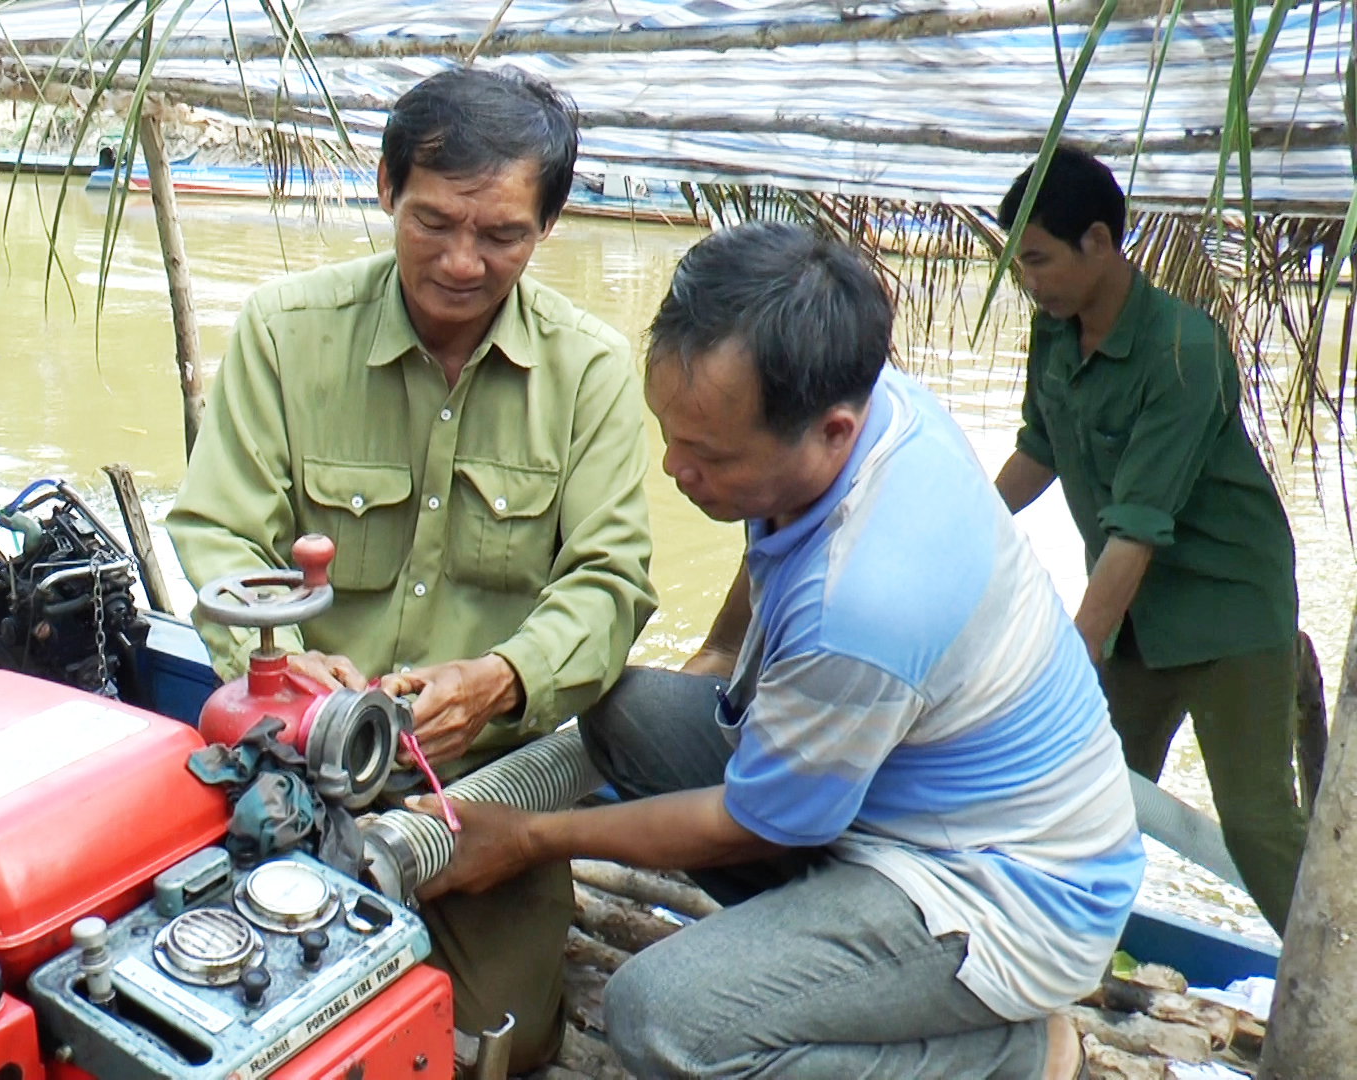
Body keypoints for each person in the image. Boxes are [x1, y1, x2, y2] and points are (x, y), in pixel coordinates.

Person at [412, 223, 1143, 1079]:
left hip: (1003, 893)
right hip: (895, 805)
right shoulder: (869, 401)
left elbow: (751, 821)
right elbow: (774, 535)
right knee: (626, 714)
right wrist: (722, 652)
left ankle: (1009, 1053)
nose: (677, 469)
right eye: (669, 433)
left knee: (658, 1018)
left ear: (831, 429)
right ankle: (827, 957)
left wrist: (531, 838)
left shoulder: (867, 600)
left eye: (710, 455)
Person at [166, 67, 656, 1070]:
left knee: (492, 1046)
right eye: (433, 220)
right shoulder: (283, 333)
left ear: (548, 227)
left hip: (483, 789)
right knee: (219, 1015)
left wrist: (503, 681)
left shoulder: (593, 373)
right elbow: (219, 534)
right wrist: (288, 670)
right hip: (292, 762)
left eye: (502, 235)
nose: (463, 261)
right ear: (385, 186)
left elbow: (611, 584)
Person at [991, 148, 1307, 934]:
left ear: (1098, 241)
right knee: (1083, 793)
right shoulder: (1054, 331)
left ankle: (1332, 983)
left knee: (1256, 821)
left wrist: (1070, 657)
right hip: (1135, 614)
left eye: (1038, 259)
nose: (1028, 280)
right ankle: (1055, 953)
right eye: (1018, 263)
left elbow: (1137, 527)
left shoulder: (1183, 348)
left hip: (1225, 611)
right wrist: (960, 529)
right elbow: (1040, 450)